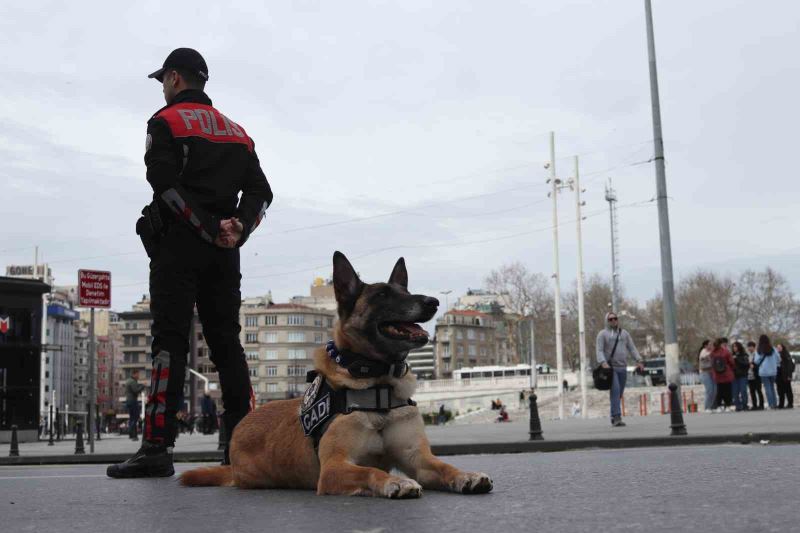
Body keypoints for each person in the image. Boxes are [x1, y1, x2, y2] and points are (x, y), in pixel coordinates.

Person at [108, 48, 273, 479]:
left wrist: (203, 227)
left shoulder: (165, 123)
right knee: (226, 344)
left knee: (169, 342)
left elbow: (162, 184)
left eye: (164, 79)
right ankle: (241, 446)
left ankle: (157, 447)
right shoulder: (239, 133)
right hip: (224, 254)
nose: (163, 87)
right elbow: (262, 192)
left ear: (176, 78)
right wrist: (238, 229)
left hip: (179, 248)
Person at [596, 312, 644, 427]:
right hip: (611, 369)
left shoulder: (624, 334)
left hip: (622, 367)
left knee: (619, 393)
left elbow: (632, 348)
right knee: (616, 390)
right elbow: (599, 350)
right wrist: (603, 362)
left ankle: (613, 414)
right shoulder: (602, 334)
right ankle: (617, 417)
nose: (613, 321)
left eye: (615, 318)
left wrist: (639, 360)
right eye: (610, 319)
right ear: (606, 321)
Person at [754, 335, 781, 409]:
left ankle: (771, 404)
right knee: (772, 387)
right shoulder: (773, 349)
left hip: (764, 372)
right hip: (773, 371)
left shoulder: (759, 350)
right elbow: (778, 359)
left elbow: (756, 361)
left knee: (767, 388)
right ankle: (775, 404)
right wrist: (775, 364)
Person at [710, 338, 735, 412]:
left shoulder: (712, 353)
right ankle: (728, 405)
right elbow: (732, 362)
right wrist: (731, 368)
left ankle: (719, 406)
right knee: (728, 390)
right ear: (721, 344)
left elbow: (712, 363)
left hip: (717, 374)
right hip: (726, 373)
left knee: (719, 390)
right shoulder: (726, 352)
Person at [124, 370, 145, 440]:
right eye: (138, 374)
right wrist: (142, 386)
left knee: (132, 418)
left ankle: (131, 434)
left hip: (129, 401)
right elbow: (135, 390)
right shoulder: (132, 381)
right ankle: (133, 433)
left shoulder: (129, 381)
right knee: (135, 417)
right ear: (134, 374)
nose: (138, 376)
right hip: (133, 401)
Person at [731, 341, 750, 411]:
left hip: (742, 375)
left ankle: (745, 405)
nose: (734, 348)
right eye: (733, 347)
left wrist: (737, 359)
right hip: (734, 376)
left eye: (735, 346)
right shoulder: (731, 355)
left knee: (743, 390)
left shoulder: (744, 355)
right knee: (735, 392)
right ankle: (737, 406)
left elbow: (746, 364)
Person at [697, 339, 715, 412]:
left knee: (714, 390)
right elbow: (705, 358)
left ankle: (711, 406)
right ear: (705, 345)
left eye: (712, 344)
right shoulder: (703, 352)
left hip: (711, 373)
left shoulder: (711, 351)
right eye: (709, 344)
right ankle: (707, 407)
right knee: (709, 390)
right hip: (705, 373)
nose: (711, 346)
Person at [746, 341, 764, 410]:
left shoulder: (757, 354)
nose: (749, 348)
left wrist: (754, 366)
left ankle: (761, 404)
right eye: (749, 347)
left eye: (751, 347)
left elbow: (760, 364)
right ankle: (754, 405)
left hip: (756, 375)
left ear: (754, 347)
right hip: (749, 375)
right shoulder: (748, 355)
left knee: (758, 390)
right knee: (752, 391)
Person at [776, 343, 794, 409]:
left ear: (783, 347)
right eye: (777, 347)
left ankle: (790, 403)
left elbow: (790, 366)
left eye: (779, 347)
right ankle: (781, 404)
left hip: (785, 375)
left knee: (788, 390)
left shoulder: (786, 354)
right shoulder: (776, 355)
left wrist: (789, 375)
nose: (778, 348)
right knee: (780, 391)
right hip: (779, 375)